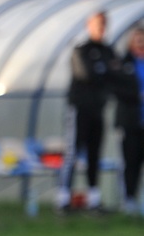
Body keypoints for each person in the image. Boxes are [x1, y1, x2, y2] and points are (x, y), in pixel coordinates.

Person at [56, 11, 119, 214]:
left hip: (98, 109)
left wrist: (105, 71)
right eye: (97, 24)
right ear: (89, 26)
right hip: (79, 109)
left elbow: (116, 75)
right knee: (73, 151)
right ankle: (63, 199)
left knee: (95, 154)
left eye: (103, 25)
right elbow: (86, 73)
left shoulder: (108, 50)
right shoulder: (81, 50)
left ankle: (94, 200)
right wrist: (105, 71)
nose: (100, 29)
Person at [114, 25, 144, 215]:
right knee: (131, 161)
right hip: (131, 122)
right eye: (138, 39)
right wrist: (139, 96)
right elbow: (117, 89)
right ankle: (129, 200)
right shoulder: (123, 63)